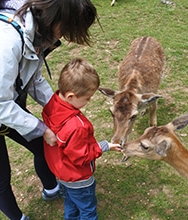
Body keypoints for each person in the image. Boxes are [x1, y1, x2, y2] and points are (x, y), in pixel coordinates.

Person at [0, 0, 99, 219]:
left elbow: (34, 79)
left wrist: (61, 108)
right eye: (67, 30)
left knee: (41, 147)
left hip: (4, 103)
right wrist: (42, 128)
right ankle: (19, 218)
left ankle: (52, 189)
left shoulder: (34, 31)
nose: (63, 37)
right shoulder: (4, 39)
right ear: (58, 18)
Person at [42, 58, 122, 220]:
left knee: (71, 201)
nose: (89, 101)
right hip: (78, 177)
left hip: (61, 170)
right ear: (71, 96)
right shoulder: (77, 126)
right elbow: (81, 156)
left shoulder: (52, 103)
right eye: (87, 98)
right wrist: (105, 146)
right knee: (88, 210)